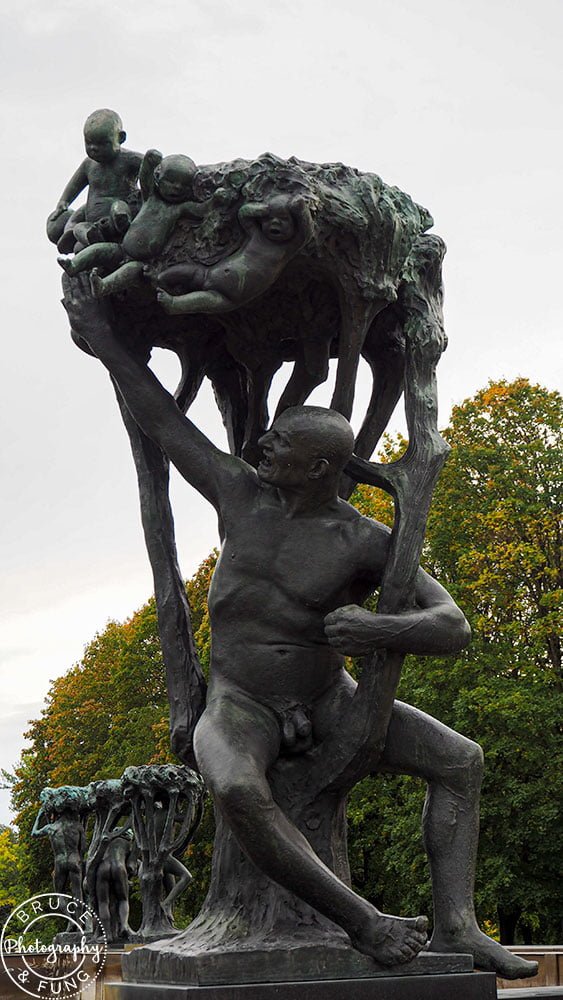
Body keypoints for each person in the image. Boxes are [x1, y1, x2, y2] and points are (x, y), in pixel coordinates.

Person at [61, 273, 538, 980]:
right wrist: (102, 338)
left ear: (316, 466)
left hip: (331, 702)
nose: (260, 445)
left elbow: (452, 626)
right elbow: (163, 420)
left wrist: (378, 632)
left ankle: (457, 927)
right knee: (237, 790)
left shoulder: (363, 539)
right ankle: (363, 922)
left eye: (278, 442)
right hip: (240, 702)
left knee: (459, 761)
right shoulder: (238, 495)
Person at [59, 150, 210, 298]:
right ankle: (74, 265)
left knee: (129, 272)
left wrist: (216, 200)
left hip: (143, 261)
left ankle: (103, 286)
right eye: (171, 181)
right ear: (158, 177)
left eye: (183, 185)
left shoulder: (179, 209)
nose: (177, 187)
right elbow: (145, 176)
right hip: (123, 247)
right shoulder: (151, 197)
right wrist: (151, 159)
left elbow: (200, 210)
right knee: (98, 250)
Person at [155, 193, 314, 315]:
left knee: (202, 300)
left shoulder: (287, 248)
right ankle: (158, 279)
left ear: (294, 224)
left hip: (230, 297)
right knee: (186, 272)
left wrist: (301, 210)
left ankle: (175, 304)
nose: (274, 222)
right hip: (208, 274)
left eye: (283, 219)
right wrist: (259, 209)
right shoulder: (257, 235)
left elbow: (306, 232)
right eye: (269, 219)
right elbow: (244, 215)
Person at [47, 109, 143, 253]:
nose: (94, 149)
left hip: (119, 205)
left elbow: (152, 169)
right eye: (89, 143)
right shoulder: (88, 164)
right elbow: (75, 184)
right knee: (76, 223)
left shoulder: (129, 160)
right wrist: (64, 202)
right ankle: (83, 234)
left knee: (119, 207)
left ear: (121, 138)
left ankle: (120, 223)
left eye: (102, 144)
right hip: (91, 212)